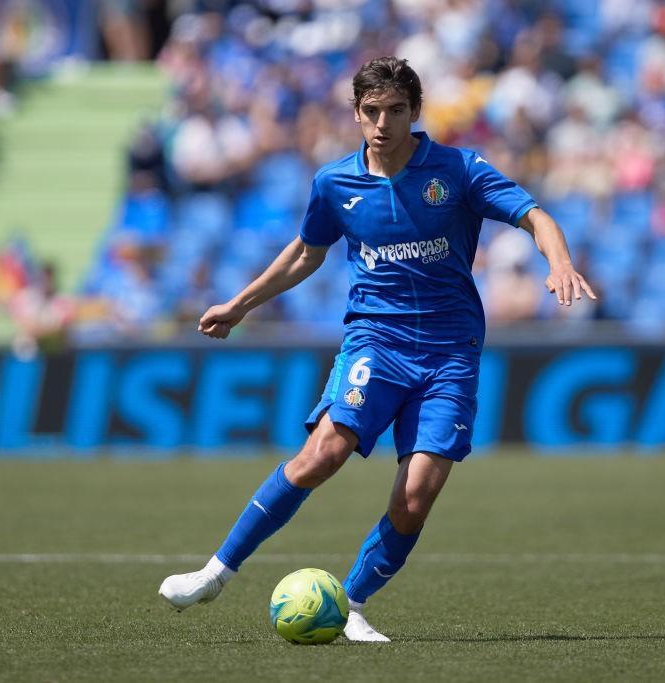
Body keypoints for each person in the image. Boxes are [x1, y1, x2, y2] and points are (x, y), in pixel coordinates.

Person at [158, 56, 596, 642]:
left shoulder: (459, 170)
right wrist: (240, 305)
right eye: (372, 112)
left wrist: (560, 262)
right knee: (322, 455)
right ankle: (214, 572)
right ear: (356, 114)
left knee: (415, 497)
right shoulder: (334, 183)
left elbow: (535, 215)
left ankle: (352, 604)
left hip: (449, 351)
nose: (383, 123)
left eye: (395, 111)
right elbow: (305, 253)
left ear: (415, 113)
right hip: (376, 340)